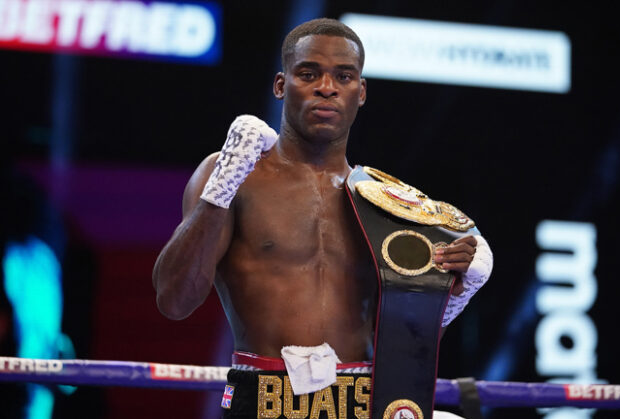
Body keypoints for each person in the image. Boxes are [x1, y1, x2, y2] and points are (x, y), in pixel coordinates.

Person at [153, 18, 492, 419]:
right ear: (281, 85)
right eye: (309, 73)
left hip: (362, 402)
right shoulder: (234, 174)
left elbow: (406, 347)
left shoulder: (385, 203)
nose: (326, 87)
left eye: (343, 76)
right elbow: (175, 300)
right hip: (264, 399)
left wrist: (456, 289)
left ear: (360, 92)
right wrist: (220, 187)